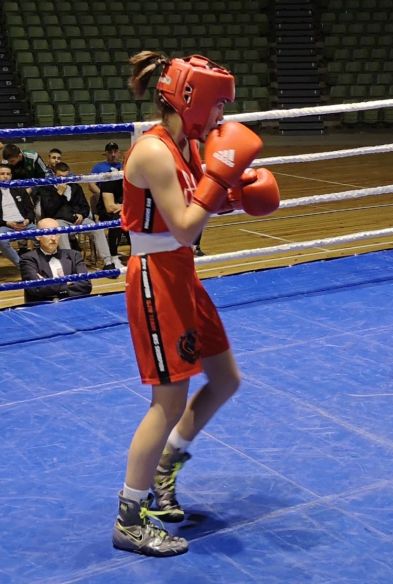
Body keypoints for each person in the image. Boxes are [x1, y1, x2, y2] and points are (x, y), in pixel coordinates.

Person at [112, 51, 279, 557]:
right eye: (218, 106)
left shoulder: (187, 145)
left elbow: (194, 212)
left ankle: (165, 468)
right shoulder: (153, 151)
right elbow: (185, 227)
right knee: (167, 401)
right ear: (192, 100)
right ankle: (129, 518)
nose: (222, 116)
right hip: (156, 276)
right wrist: (220, 179)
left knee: (225, 378)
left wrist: (233, 193)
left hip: (182, 273)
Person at [36, 162, 123, 271]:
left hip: (79, 220)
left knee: (97, 228)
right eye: (60, 177)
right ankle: (69, 265)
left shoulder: (75, 187)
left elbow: (85, 206)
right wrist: (59, 194)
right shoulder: (46, 189)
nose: (63, 180)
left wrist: (81, 215)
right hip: (60, 220)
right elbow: (49, 210)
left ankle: (108, 262)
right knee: (61, 231)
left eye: (66, 177)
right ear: (54, 175)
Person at [19, 218, 92, 303]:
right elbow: (35, 289)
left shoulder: (74, 255)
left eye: (56, 233)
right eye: (48, 233)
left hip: (73, 304)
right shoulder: (27, 259)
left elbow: (86, 285)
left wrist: (48, 284)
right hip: (44, 307)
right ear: (37, 236)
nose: (53, 238)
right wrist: (68, 283)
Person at [90, 142, 128, 259]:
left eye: (115, 152)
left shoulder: (127, 173)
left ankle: (138, 252)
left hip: (121, 203)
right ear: (106, 153)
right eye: (110, 152)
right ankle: (113, 254)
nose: (113, 154)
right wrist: (102, 194)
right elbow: (91, 185)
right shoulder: (100, 168)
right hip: (106, 203)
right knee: (117, 217)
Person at [0, 163, 38, 266]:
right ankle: (23, 266)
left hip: (25, 224)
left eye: (8, 174)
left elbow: (30, 210)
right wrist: (7, 223)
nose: (5, 176)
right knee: (1, 240)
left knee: (44, 236)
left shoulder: (19, 189)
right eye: (2, 174)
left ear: (11, 176)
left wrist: (27, 220)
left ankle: (43, 264)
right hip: (5, 225)